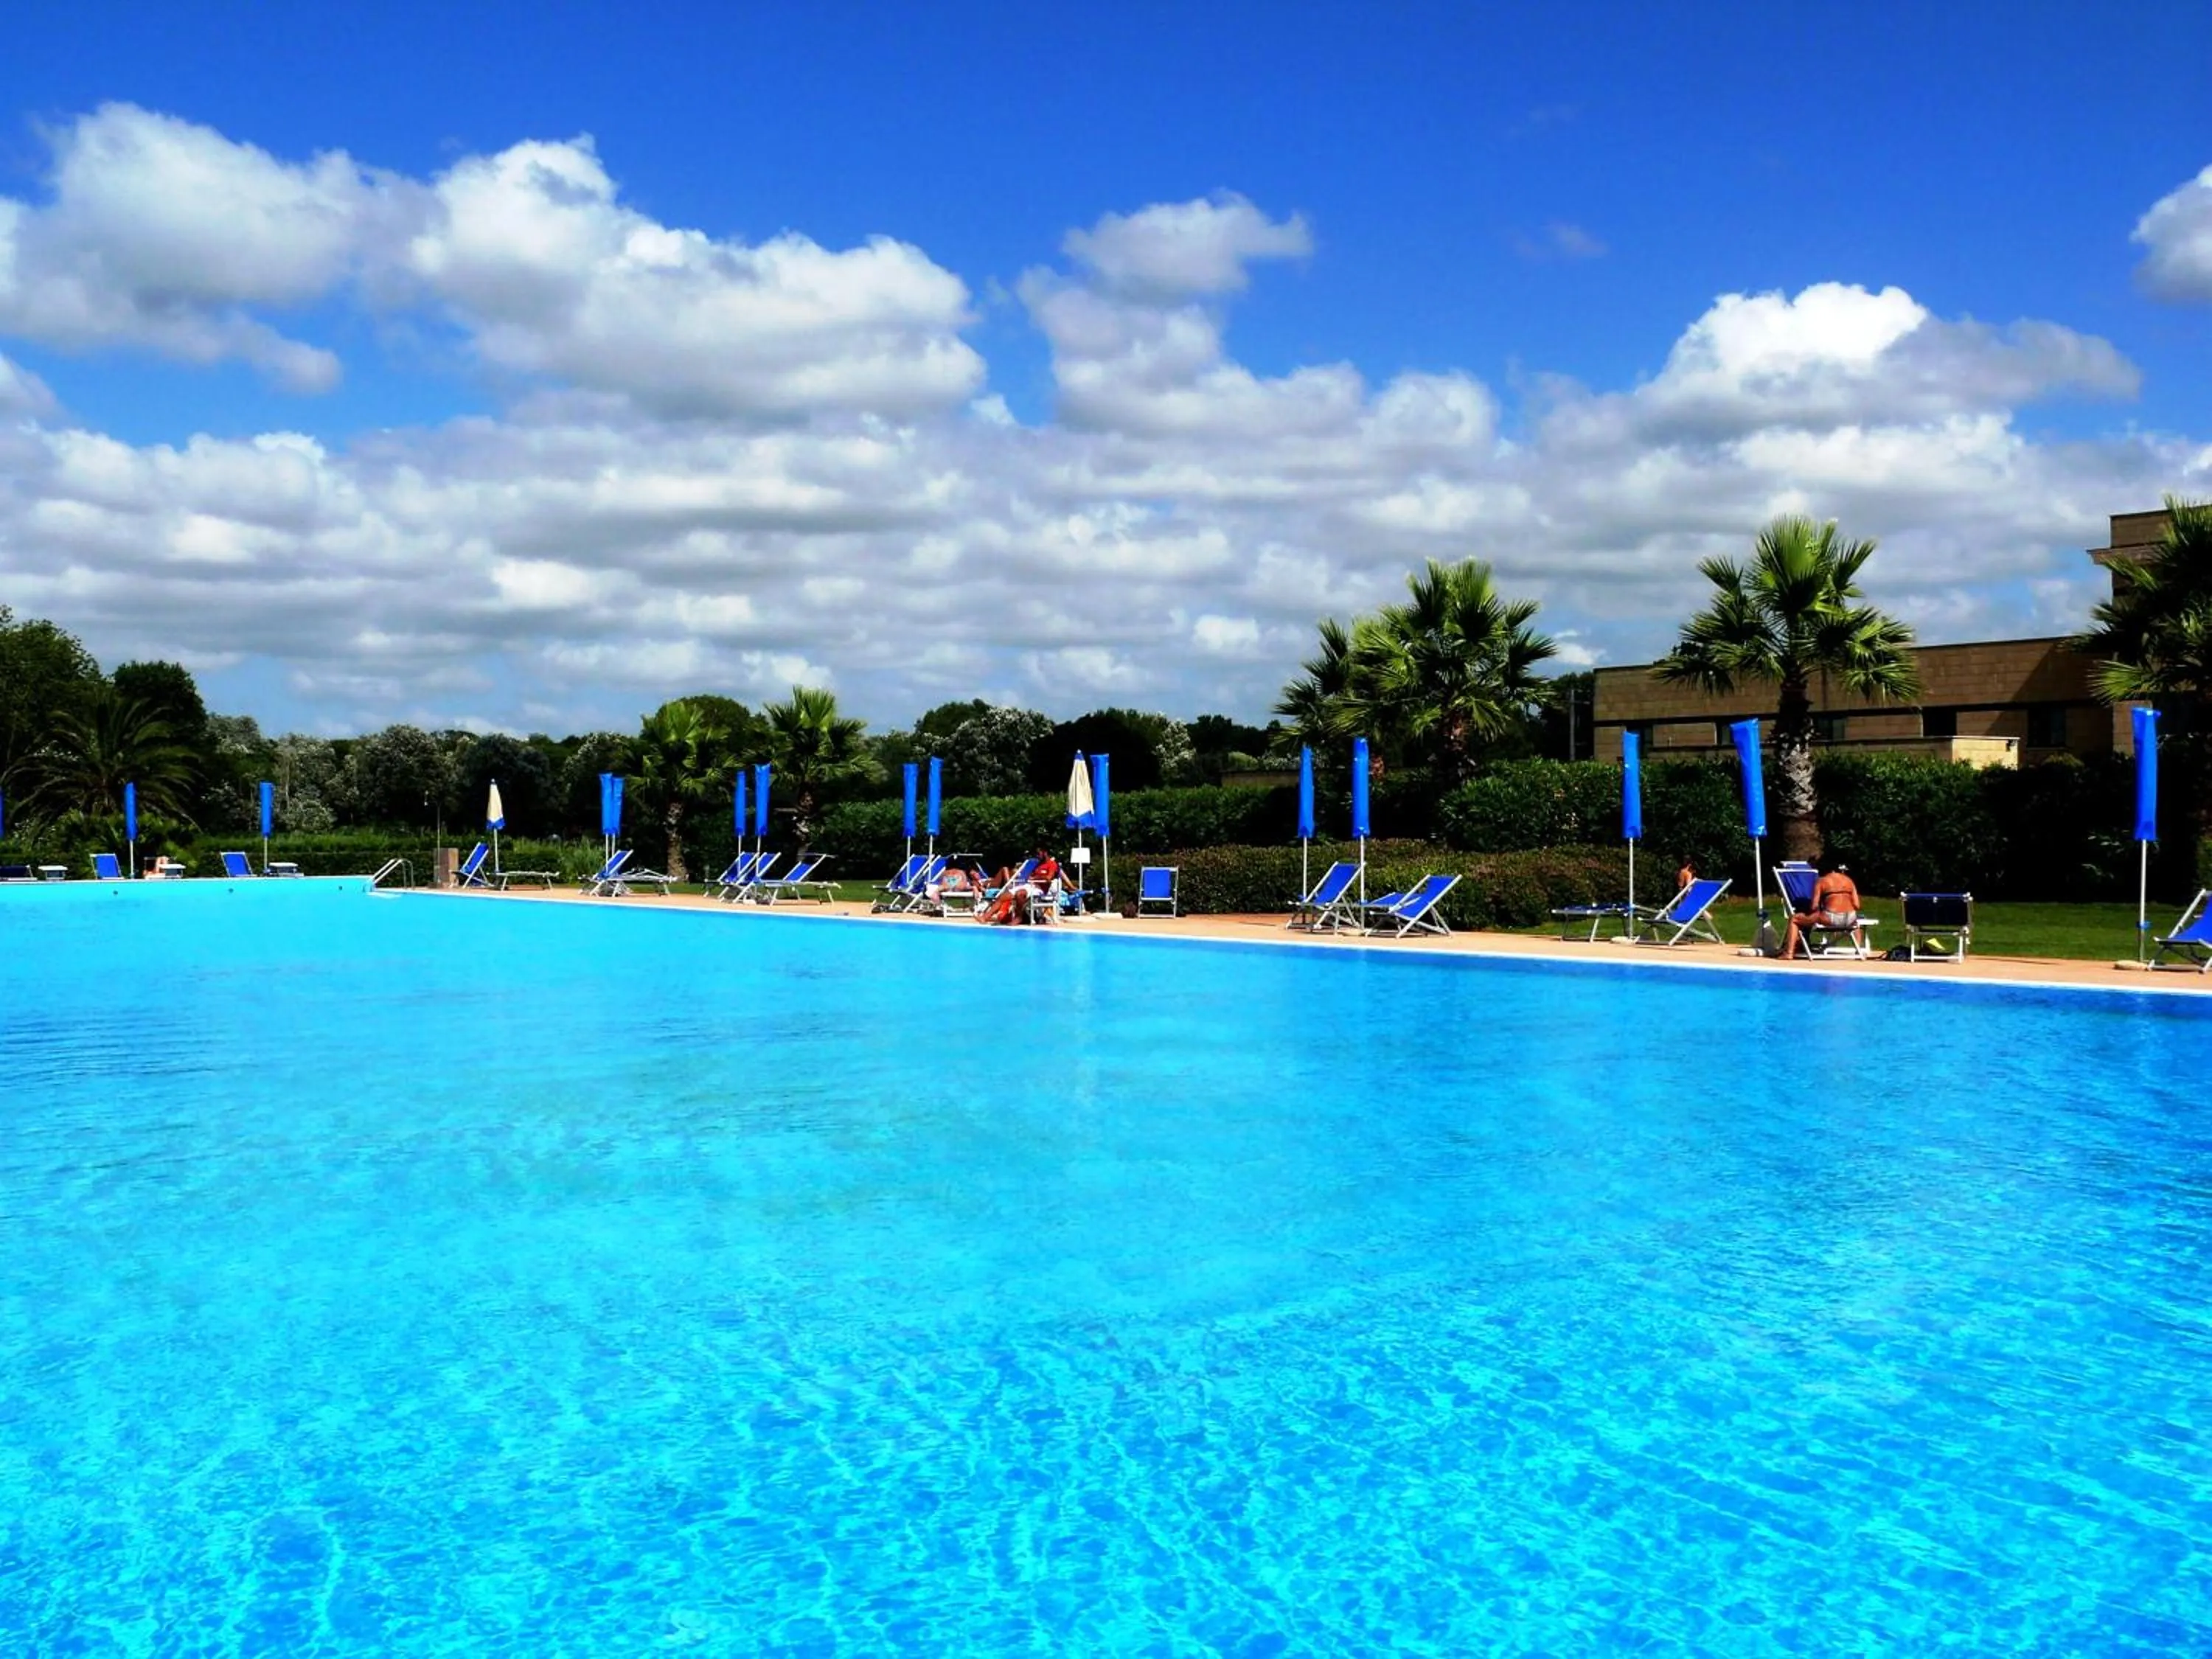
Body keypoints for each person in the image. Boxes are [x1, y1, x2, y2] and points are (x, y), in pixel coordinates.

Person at [1781, 861, 1863, 960]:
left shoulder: (1822, 881)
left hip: (1831, 917)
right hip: (1850, 918)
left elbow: (1814, 906)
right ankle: (1858, 952)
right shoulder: (1849, 880)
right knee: (1856, 925)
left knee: (1795, 919)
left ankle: (1789, 953)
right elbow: (1857, 906)